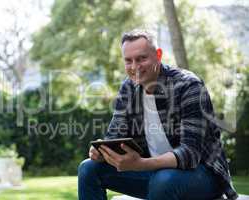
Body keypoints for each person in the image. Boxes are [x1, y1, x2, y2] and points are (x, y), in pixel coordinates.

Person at [78, 29, 238, 200]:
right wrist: (103, 152)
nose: (135, 67)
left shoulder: (189, 85)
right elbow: (115, 135)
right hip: (154, 173)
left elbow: (190, 154)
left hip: (203, 174)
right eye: (128, 61)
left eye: (141, 58)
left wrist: (141, 164)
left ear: (158, 55)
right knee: (88, 169)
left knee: (163, 180)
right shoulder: (128, 88)